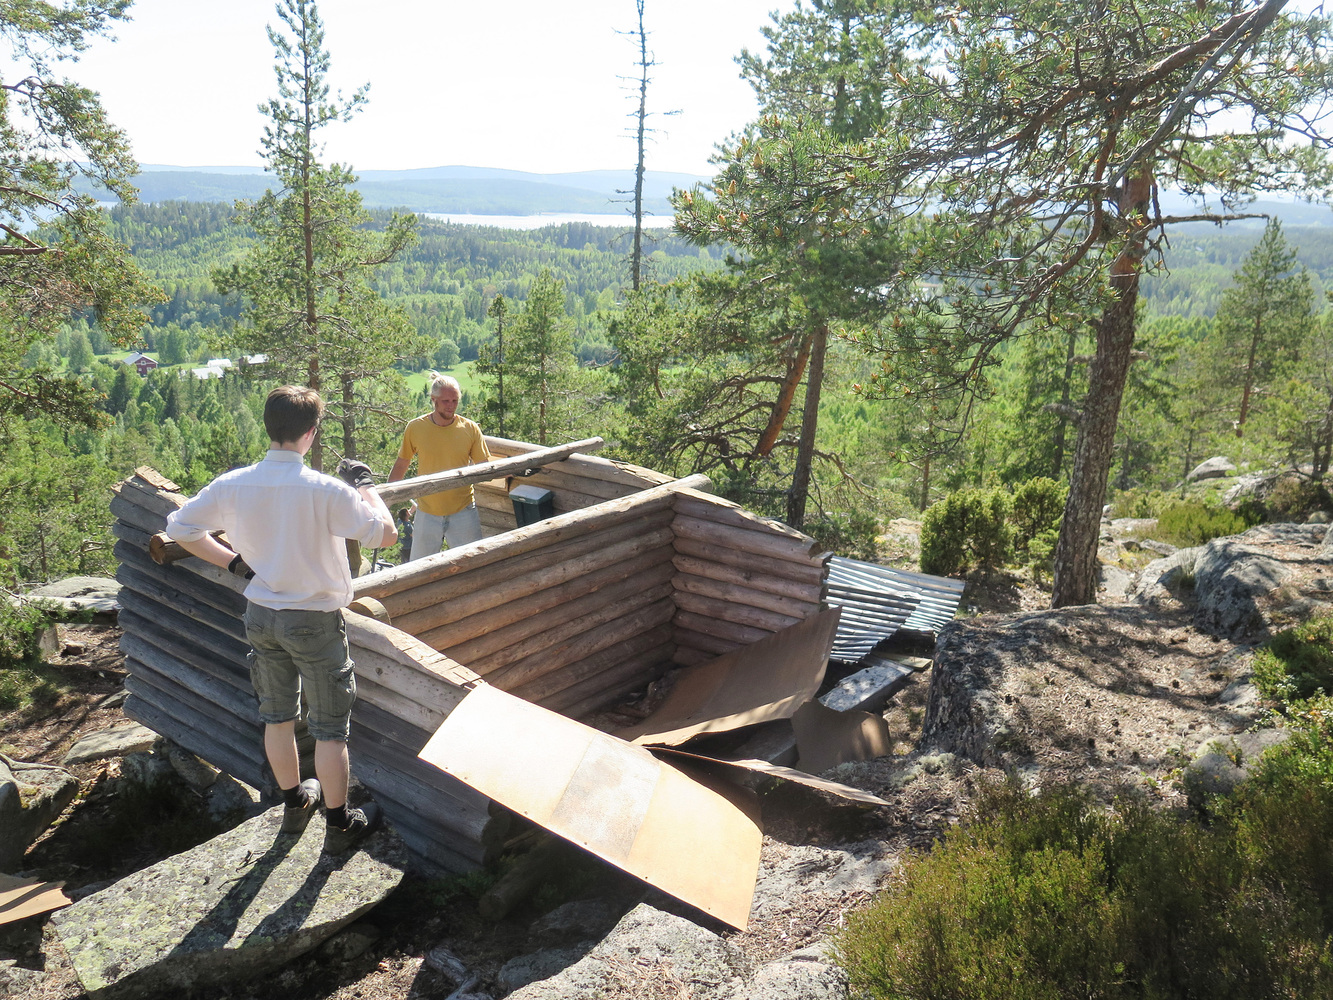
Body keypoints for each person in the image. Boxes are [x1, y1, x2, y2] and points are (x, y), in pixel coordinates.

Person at [164, 386, 397, 853]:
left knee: (278, 716)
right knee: (330, 729)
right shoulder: (327, 490)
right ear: (310, 434)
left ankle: (294, 805)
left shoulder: (233, 485)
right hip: (314, 619)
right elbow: (386, 536)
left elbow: (179, 529)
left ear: (270, 428)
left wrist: (233, 563)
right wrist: (365, 484)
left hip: (262, 614)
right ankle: (339, 824)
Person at [387, 375, 491, 559]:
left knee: (473, 564)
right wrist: (386, 497)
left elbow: (483, 466)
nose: (450, 405)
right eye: (445, 401)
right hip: (427, 510)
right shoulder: (416, 428)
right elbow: (402, 462)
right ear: (433, 400)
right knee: (419, 568)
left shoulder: (470, 429)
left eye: (455, 400)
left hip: (463, 509)